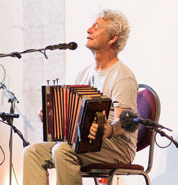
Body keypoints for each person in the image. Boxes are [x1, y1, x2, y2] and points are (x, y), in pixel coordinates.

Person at [22, 9, 138, 185]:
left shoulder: (123, 76)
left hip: (116, 147)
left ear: (112, 38)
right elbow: (72, 115)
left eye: (96, 27)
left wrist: (110, 130)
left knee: (63, 150)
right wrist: (53, 117)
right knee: (32, 152)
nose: (88, 30)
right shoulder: (84, 74)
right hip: (84, 143)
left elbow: (128, 121)